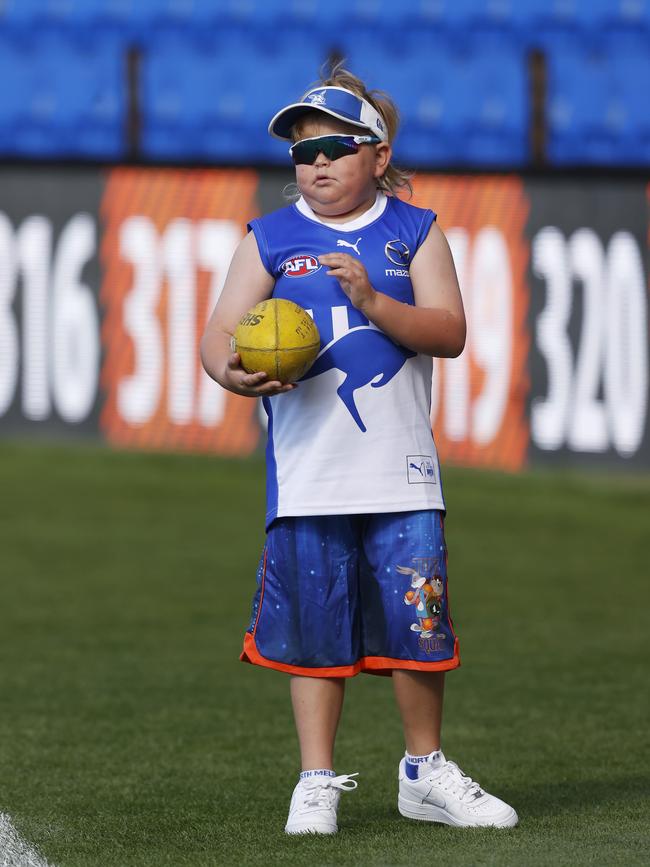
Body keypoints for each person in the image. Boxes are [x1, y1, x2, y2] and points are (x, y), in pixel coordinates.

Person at [200, 65, 518, 834]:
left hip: (403, 474)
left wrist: (374, 301)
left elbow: (449, 331)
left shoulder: (413, 230)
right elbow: (217, 336)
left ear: (377, 155)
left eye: (337, 148)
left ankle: (424, 769)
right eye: (303, 153)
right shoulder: (270, 237)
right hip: (309, 477)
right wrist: (233, 374)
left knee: (419, 627)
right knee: (315, 632)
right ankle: (315, 779)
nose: (317, 164)